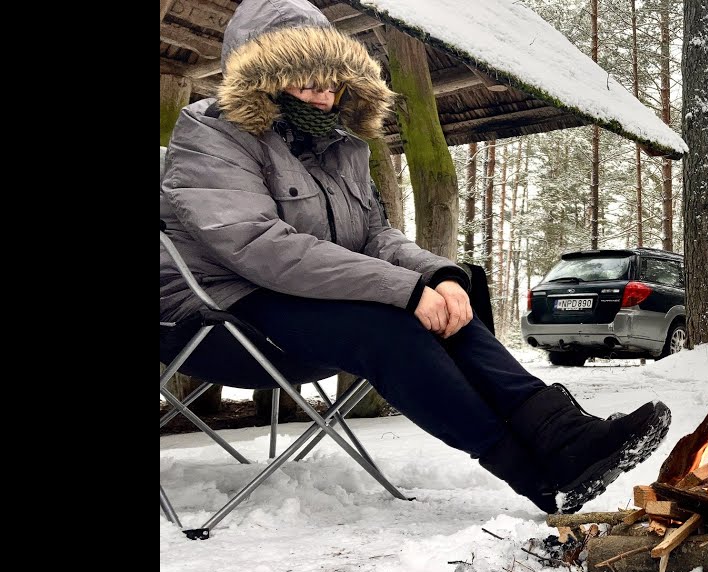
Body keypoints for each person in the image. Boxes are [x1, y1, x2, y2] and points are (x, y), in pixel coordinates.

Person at [159, 0, 671, 514]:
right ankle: (530, 471)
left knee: (449, 313)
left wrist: (439, 277)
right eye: (305, 81)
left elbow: (376, 236)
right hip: (213, 319)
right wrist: (403, 290)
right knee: (391, 325)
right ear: (261, 78)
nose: (323, 97)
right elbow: (259, 247)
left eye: (332, 83)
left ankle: (566, 436)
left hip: (305, 311)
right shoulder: (210, 136)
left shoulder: (342, 147)